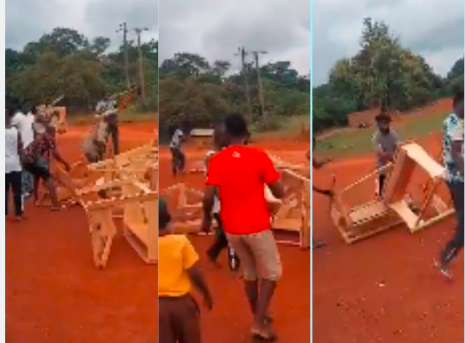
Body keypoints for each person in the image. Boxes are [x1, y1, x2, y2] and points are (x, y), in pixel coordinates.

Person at [202, 113, 285, 341]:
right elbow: (279, 192)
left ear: (227, 134)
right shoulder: (258, 156)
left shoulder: (217, 160)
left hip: (232, 229)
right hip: (257, 226)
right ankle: (258, 323)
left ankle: (258, 314)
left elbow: (208, 196)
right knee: (272, 273)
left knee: (250, 272)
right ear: (246, 133)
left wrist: (206, 220)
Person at [158, 198, 213, 343]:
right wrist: (206, 294)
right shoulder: (180, 242)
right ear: (167, 219)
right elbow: (195, 272)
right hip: (181, 304)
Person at [435, 91, 464, 279]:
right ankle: (444, 258)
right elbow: (455, 153)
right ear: (458, 103)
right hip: (459, 180)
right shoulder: (454, 122)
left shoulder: (458, 120)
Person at [205, 124, 240, 271]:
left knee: (227, 232)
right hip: (219, 202)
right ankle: (234, 264)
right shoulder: (212, 156)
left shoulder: (223, 153)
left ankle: (213, 253)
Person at [22, 119, 71, 210]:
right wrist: (66, 163)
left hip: (25, 160)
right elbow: (55, 154)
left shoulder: (39, 136)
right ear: (52, 132)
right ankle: (56, 205)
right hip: (31, 159)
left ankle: (36, 199)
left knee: (37, 175)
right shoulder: (49, 138)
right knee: (49, 179)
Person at [311, 137, 334, 249]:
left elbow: (316, 165)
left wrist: (326, 160)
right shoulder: (306, 156)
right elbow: (307, 183)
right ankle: (312, 241)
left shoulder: (309, 155)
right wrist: (323, 192)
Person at [10, 102, 35, 198]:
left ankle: (24, 190)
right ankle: (30, 188)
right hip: (30, 143)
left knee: (22, 168)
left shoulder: (16, 118)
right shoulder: (22, 116)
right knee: (28, 166)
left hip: (24, 144)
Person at [373, 113, 398, 196]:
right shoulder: (377, 136)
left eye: (384, 123)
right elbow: (380, 152)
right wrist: (390, 157)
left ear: (387, 123)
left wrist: (394, 157)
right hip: (381, 159)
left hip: (392, 155)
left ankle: (393, 191)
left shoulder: (393, 134)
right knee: (382, 174)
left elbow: (396, 147)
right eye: (379, 123)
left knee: (395, 174)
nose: (380, 125)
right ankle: (380, 192)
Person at [5, 107, 24, 220]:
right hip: (15, 164)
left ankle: (5, 213)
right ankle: (18, 214)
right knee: (17, 190)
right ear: (10, 118)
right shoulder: (16, 131)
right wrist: (21, 162)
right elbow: (20, 148)